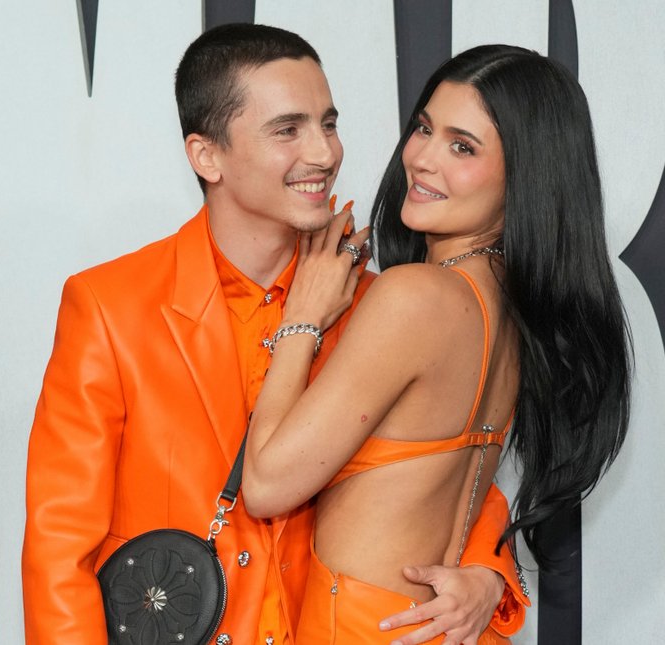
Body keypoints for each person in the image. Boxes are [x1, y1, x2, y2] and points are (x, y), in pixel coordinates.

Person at [21, 26, 527, 645]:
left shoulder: (375, 306)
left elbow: (441, 464)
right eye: (288, 130)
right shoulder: (111, 306)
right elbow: (59, 548)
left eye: (328, 124)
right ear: (207, 156)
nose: (324, 153)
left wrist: (488, 572)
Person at [243, 44, 631, 643]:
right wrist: (490, 572)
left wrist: (302, 318)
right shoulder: (513, 307)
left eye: (463, 147)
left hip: (367, 626)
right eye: (424, 129)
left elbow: (267, 485)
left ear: (525, 175)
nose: (422, 159)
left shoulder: (415, 298)